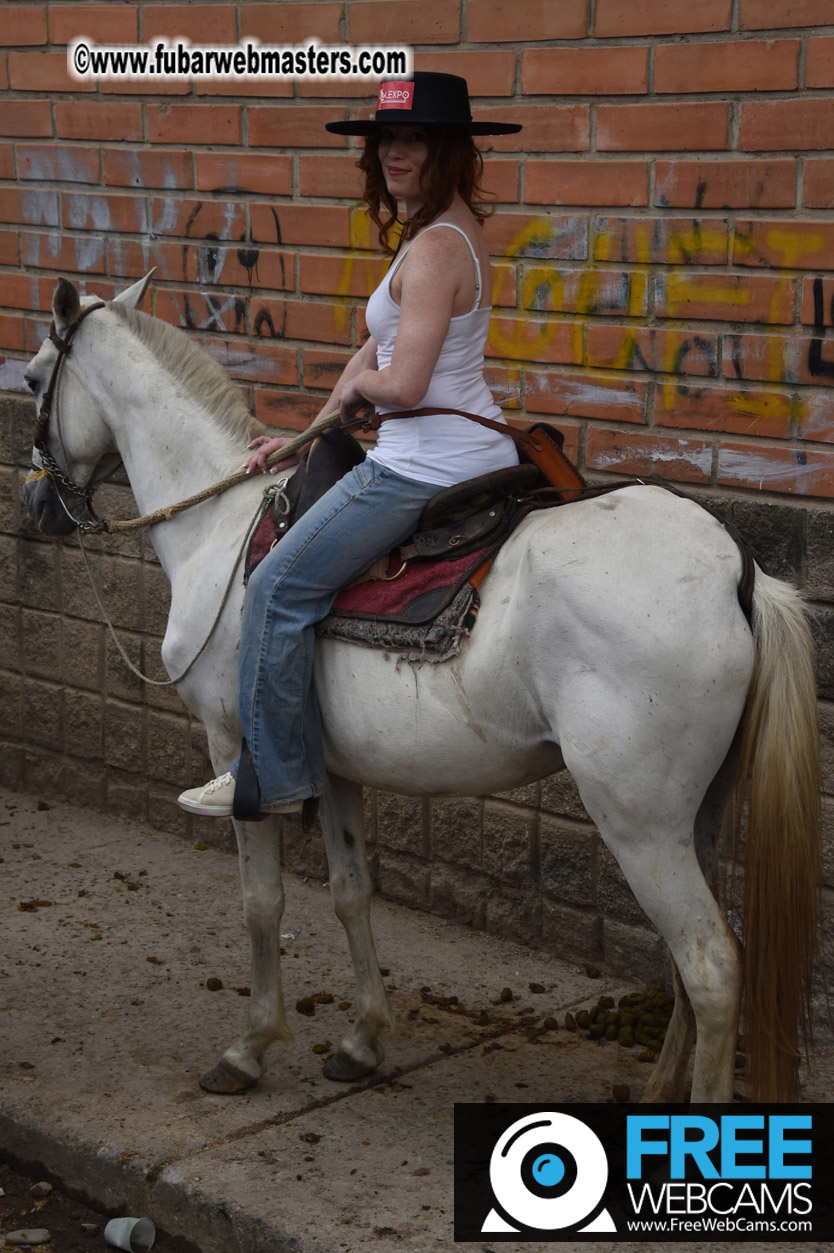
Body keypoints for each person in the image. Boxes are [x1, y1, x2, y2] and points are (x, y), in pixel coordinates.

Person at [177, 71, 522, 818]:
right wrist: (307, 432)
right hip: (454, 448)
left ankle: (274, 775)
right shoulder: (440, 233)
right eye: (386, 138)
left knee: (274, 591)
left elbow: (404, 385)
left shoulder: (434, 249)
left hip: (423, 464)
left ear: (451, 149)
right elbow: (374, 351)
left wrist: (365, 391)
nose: (395, 153)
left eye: (415, 138)